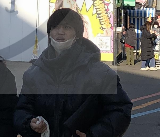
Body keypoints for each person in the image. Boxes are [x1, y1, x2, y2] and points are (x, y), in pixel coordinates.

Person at [14, 8, 132, 137]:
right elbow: (22, 109)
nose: (60, 32)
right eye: (55, 27)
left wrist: (94, 134)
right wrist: (29, 122)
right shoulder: (34, 73)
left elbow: (120, 109)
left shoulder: (100, 73)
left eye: (67, 27)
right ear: (49, 33)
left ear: (77, 34)